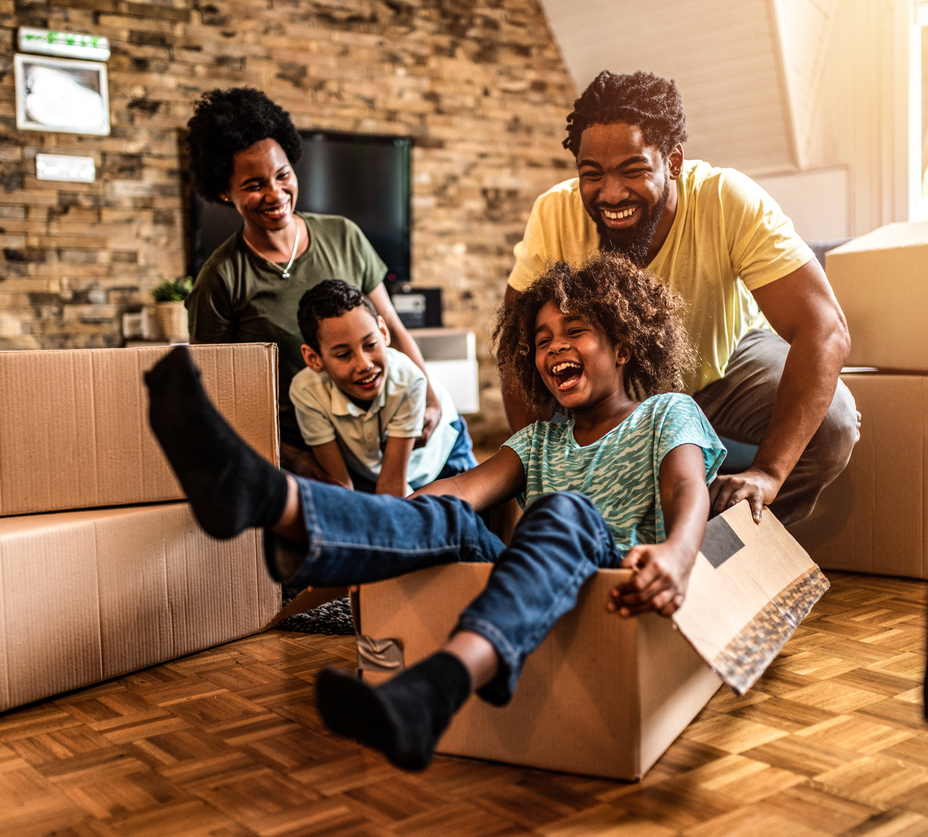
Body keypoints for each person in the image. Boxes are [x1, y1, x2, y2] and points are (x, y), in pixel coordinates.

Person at [144, 253, 726, 771]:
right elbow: (446, 498)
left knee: (562, 510)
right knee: (450, 514)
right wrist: (372, 545)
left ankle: (439, 681)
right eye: (543, 340)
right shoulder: (538, 442)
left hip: (625, 578)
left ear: (624, 345)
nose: (554, 349)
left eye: (575, 332)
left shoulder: (665, 412)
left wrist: (678, 554)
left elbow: (685, 490)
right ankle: (268, 497)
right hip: (536, 586)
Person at [503, 70, 859, 526]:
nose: (611, 193)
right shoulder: (555, 211)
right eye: (592, 174)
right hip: (608, 392)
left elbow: (824, 328)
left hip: (720, 369)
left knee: (833, 424)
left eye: (633, 170)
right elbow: (515, 346)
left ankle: (728, 542)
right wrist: (544, 470)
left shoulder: (726, 199)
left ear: (673, 161)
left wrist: (769, 473)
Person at [184, 87, 442, 480]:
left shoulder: (344, 236)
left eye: (282, 174)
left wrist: (431, 398)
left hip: (380, 433)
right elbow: (215, 392)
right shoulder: (221, 279)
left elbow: (392, 325)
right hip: (301, 449)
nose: (275, 193)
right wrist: (292, 458)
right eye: (254, 185)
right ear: (224, 191)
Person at [292, 279, 477, 496]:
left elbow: (392, 487)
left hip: (440, 459)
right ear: (314, 358)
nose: (365, 365)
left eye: (370, 345)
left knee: (463, 518)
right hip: (374, 470)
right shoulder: (306, 392)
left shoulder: (408, 382)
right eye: (343, 355)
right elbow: (340, 486)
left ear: (383, 332)